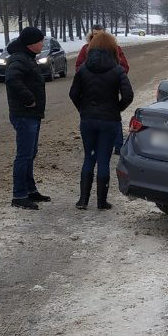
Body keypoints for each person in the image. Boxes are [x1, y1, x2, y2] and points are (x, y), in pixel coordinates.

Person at [69, 31, 134, 210]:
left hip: (88, 120)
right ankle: (101, 201)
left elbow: (73, 93)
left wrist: (83, 109)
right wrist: (117, 108)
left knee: (89, 158)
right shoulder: (117, 69)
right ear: (113, 48)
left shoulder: (83, 68)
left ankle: (83, 200)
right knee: (104, 159)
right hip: (109, 120)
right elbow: (128, 95)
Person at [5, 26, 50, 210]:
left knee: (30, 154)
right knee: (23, 156)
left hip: (31, 114)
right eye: (40, 41)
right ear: (31, 43)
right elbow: (12, 79)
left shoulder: (27, 58)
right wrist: (29, 98)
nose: (42, 43)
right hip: (24, 115)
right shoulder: (19, 59)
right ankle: (19, 195)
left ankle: (30, 190)